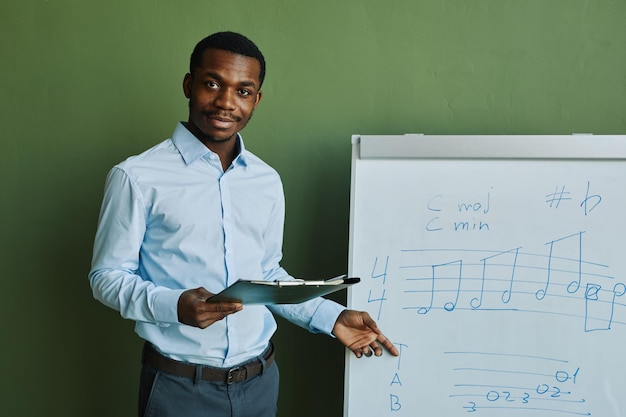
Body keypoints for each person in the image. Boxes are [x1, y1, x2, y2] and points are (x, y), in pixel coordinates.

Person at [89, 31, 399, 417]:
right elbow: (106, 276)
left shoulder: (266, 181)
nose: (225, 103)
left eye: (243, 91)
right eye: (213, 84)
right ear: (189, 85)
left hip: (260, 383)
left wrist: (331, 316)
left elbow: (266, 275)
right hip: (178, 389)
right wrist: (174, 306)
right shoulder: (136, 176)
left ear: (256, 100)